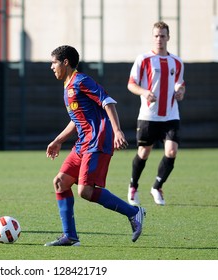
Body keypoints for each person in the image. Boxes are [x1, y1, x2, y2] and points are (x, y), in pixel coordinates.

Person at [45, 45, 146, 246]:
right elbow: (77, 119)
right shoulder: (68, 86)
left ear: (65, 62)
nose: (51, 67)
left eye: (54, 62)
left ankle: (134, 212)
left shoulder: (82, 81)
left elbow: (107, 101)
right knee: (60, 182)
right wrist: (58, 140)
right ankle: (70, 237)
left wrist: (117, 131)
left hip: (97, 141)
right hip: (83, 143)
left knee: (85, 191)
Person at [127, 21, 185, 206]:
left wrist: (181, 91)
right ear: (152, 37)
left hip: (171, 114)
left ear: (168, 37)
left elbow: (180, 84)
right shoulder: (143, 59)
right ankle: (133, 186)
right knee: (143, 152)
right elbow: (131, 84)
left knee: (172, 151)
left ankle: (157, 186)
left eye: (162, 35)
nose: (159, 39)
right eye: (156, 35)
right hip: (149, 115)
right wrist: (144, 92)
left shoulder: (177, 61)